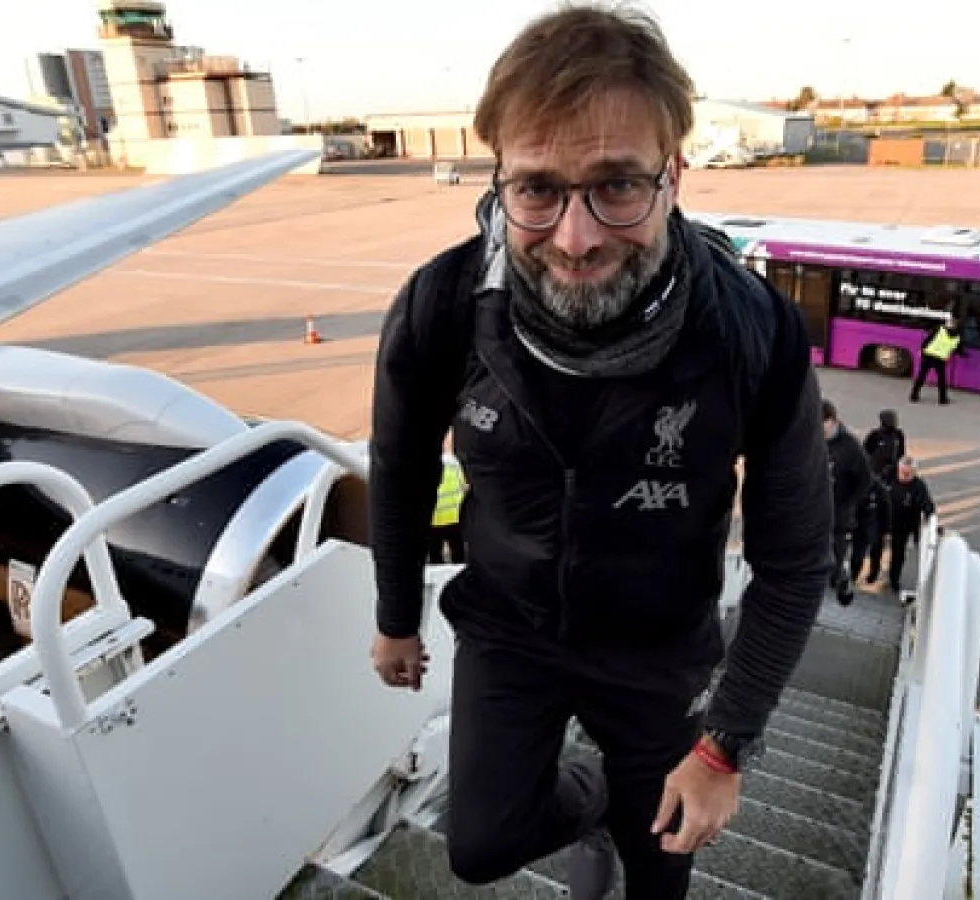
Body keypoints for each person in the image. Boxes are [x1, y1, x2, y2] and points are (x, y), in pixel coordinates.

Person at [365, 6, 834, 898]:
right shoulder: (442, 304)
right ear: (500, 176)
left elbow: (794, 559)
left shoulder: (751, 332)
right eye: (538, 189)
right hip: (510, 630)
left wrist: (725, 744)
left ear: (674, 175)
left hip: (661, 651)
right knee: (477, 851)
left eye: (617, 185)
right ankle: (594, 794)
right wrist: (395, 616)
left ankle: (632, 803)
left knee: (659, 880)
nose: (575, 239)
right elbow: (401, 465)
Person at [821, 400, 871, 605]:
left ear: (832, 421)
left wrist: (848, 504)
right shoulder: (812, 440)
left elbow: (865, 481)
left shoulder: (851, 448)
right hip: (814, 511)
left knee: (835, 556)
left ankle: (839, 580)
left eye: (820, 424)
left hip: (839, 516)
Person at [884, 456, 937, 593]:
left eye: (908, 474)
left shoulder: (918, 486)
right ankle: (873, 573)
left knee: (898, 553)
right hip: (885, 520)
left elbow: (927, 505)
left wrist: (930, 518)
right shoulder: (888, 479)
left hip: (905, 524)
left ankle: (894, 579)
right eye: (902, 472)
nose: (905, 476)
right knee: (875, 548)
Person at [910, 315, 968, 405]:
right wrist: (965, 355)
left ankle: (914, 396)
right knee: (942, 379)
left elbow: (927, 341)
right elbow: (958, 351)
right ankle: (942, 399)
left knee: (921, 376)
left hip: (928, 356)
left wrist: (922, 350)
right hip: (940, 359)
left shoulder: (939, 330)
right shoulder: (957, 338)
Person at [428, 458, 467, 563]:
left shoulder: (420, 467)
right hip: (454, 518)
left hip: (434, 520)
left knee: (435, 557)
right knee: (458, 556)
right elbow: (465, 487)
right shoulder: (454, 465)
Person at [863, 409, 907, 481]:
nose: (894, 422)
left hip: (894, 469)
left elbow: (901, 452)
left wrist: (899, 465)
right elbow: (866, 451)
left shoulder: (898, 434)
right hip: (877, 470)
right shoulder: (875, 435)